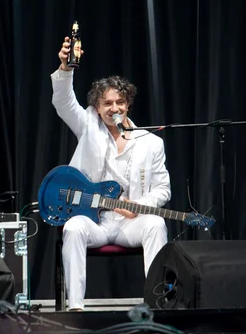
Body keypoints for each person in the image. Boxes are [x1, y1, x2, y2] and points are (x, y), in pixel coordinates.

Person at [51, 37, 171, 311]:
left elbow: (163, 189)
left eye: (119, 102)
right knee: (72, 227)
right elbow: (63, 102)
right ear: (97, 108)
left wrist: (138, 206)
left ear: (127, 104)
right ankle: (75, 307)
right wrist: (65, 68)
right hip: (96, 220)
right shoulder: (87, 127)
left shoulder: (151, 142)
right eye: (107, 103)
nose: (114, 108)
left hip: (131, 222)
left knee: (156, 225)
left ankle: (157, 305)